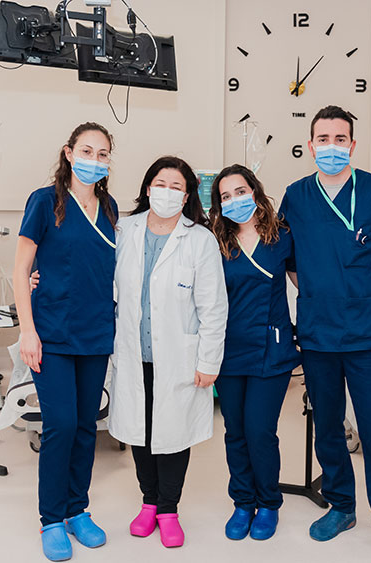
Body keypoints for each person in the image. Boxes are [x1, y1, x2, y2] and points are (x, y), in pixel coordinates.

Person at [278, 105, 371, 563]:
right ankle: (341, 506)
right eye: (324, 138)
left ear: (353, 145)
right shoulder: (296, 197)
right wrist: (320, 293)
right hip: (318, 336)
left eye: (341, 139)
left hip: (369, 335)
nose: (332, 147)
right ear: (311, 143)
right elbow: (289, 262)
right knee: (327, 431)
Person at [108, 156, 228, 549]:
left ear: (188, 194)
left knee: (173, 434)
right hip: (132, 352)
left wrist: (209, 361)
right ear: (147, 188)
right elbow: (92, 274)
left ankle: (169, 509)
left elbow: (213, 308)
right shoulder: (123, 229)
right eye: (161, 183)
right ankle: (148, 502)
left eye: (177, 187)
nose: (168, 192)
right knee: (140, 431)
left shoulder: (200, 239)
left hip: (179, 357)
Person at [13, 122, 118, 562]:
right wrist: (28, 329)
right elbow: (21, 270)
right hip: (52, 333)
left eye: (103, 153)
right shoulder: (45, 202)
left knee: (85, 427)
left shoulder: (110, 207)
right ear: (69, 152)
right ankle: (51, 519)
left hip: (95, 334)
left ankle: (78, 509)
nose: (95, 159)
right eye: (87, 150)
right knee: (59, 426)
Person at [207, 164, 300, 542]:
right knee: (235, 431)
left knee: (260, 431)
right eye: (225, 196)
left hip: (271, 351)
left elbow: (308, 284)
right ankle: (243, 502)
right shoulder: (215, 241)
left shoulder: (283, 238)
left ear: (256, 193)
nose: (234, 201)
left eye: (240, 192)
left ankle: (269, 503)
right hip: (228, 351)